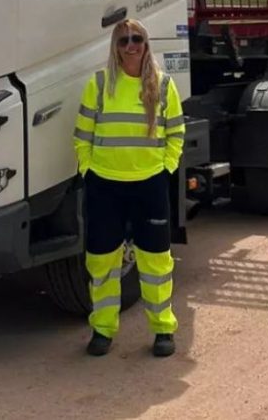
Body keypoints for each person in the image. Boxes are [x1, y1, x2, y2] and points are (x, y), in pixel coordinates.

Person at [73, 18, 186, 358]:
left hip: (149, 185)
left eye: (136, 39)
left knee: (155, 263)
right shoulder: (99, 84)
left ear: (146, 43)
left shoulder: (164, 86)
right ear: (115, 47)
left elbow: (176, 133)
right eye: (123, 41)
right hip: (105, 186)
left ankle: (163, 330)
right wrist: (87, 169)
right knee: (101, 263)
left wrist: (165, 167)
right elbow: (83, 134)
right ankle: (103, 330)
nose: (130, 45)